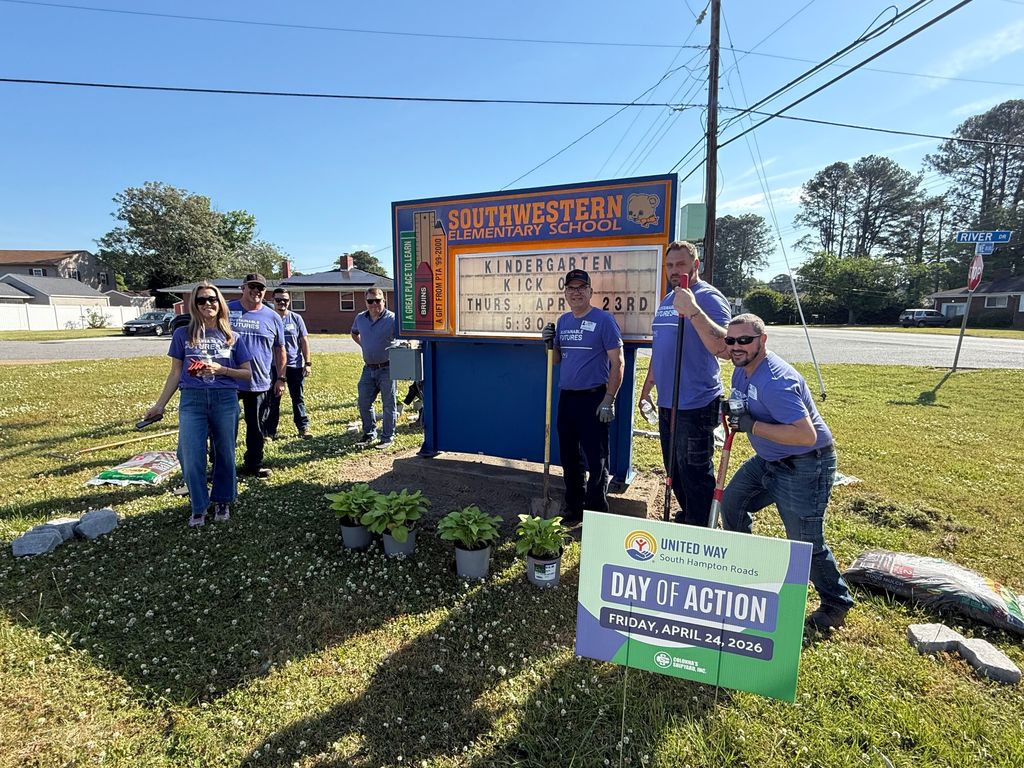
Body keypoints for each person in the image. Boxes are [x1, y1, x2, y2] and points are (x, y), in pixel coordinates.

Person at [720, 313, 855, 632]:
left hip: (805, 463)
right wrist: (731, 410)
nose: (736, 347)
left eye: (744, 340)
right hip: (769, 459)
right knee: (733, 504)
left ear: (762, 340)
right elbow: (743, 405)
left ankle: (836, 601)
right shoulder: (741, 371)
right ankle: (746, 571)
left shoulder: (777, 381)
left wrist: (752, 425)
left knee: (804, 541)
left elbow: (805, 435)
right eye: (731, 341)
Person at [144, 282, 252, 527]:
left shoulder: (233, 336)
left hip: (224, 399)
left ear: (220, 303)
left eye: (212, 299)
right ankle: (199, 505)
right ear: (194, 305)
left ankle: (223, 500)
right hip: (192, 400)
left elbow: (247, 374)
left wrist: (221, 369)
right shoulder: (183, 334)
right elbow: (175, 373)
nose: (208, 304)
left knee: (224, 452)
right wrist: (160, 405)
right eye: (201, 300)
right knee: (190, 455)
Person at [639, 240, 731, 526]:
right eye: (670, 265)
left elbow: (725, 348)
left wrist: (692, 310)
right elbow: (661, 347)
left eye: (680, 264)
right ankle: (689, 514)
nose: (674, 270)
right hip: (668, 402)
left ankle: (702, 524)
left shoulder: (708, 298)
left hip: (696, 402)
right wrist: (647, 387)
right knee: (674, 468)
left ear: (695, 265)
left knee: (694, 469)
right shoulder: (669, 300)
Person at [541, 269, 624, 523]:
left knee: (597, 458)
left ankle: (597, 511)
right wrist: (548, 343)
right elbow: (555, 361)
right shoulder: (563, 321)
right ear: (565, 293)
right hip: (567, 398)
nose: (576, 292)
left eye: (581, 288)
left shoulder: (604, 321)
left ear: (590, 291)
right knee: (569, 456)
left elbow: (618, 363)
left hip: (594, 398)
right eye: (571, 288)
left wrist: (609, 399)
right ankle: (574, 506)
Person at [227, 273, 286, 478]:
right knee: (223, 428)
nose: (256, 291)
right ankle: (221, 467)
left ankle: (253, 464)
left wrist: (281, 377)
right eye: (251, 287)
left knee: (257, 427)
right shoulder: (227, 310)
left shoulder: (272, 316)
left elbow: (280, 349)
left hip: (259, 381)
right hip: (228, 381)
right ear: (243, 288)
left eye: (260, 288)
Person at [351, 287, 397, 449]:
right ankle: (370, 433)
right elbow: (354, 333)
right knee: (364, 402)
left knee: (388, 404)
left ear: (384, 301)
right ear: (366, 302)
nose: (374, 304)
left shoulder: (392, 319)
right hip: (368, 368)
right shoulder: (360, 318)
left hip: (388, 368)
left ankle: (387, 437)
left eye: (378, 300)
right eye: (370, 301)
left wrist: (407, 344)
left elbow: (406, 336)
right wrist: (363, 344)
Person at [264, 288, 313, 440]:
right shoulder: (268, 318)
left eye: (285, 300)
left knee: (298, 398)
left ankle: (303, 428)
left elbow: (304, 341)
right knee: (273, 400)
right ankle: (269, 432)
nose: (282, 303)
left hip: (294, 365)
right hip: (273, 366)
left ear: (289, 301)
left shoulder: (296, 318)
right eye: (278, 300)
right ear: (273, 301)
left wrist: (308, 363)